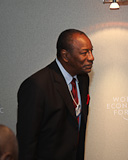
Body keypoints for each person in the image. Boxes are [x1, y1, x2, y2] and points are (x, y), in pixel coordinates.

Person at [17, 29, 94, 160]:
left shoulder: (82, 79)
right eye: (84, 53)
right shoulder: (36, 86)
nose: (91, 57)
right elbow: (26, 142)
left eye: (91, 51)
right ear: (65, 56)